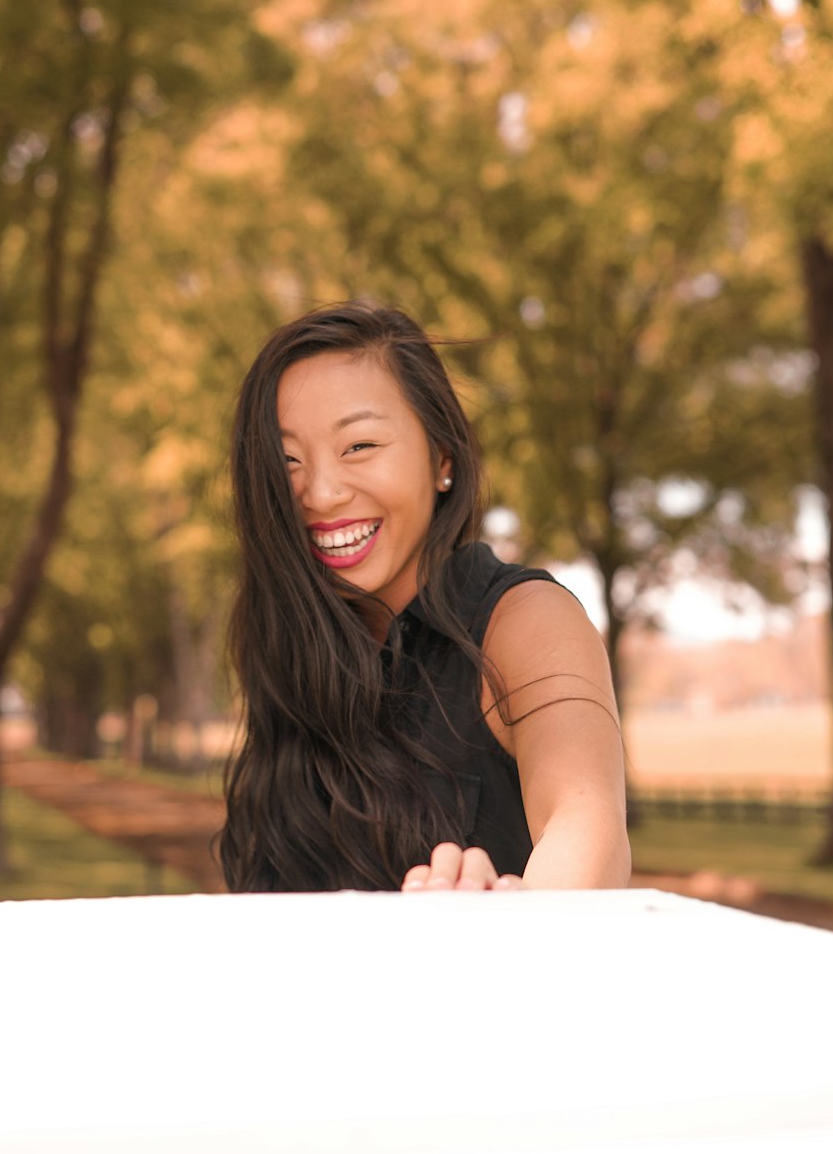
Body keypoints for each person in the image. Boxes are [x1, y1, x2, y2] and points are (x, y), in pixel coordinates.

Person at [219, 302, 630, 893]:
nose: (322, 492)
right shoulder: (289, 641)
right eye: (286, 460)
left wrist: (523, 919)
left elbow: (585, 832)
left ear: (442, 458)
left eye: (359, 446)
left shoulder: (525, 621)